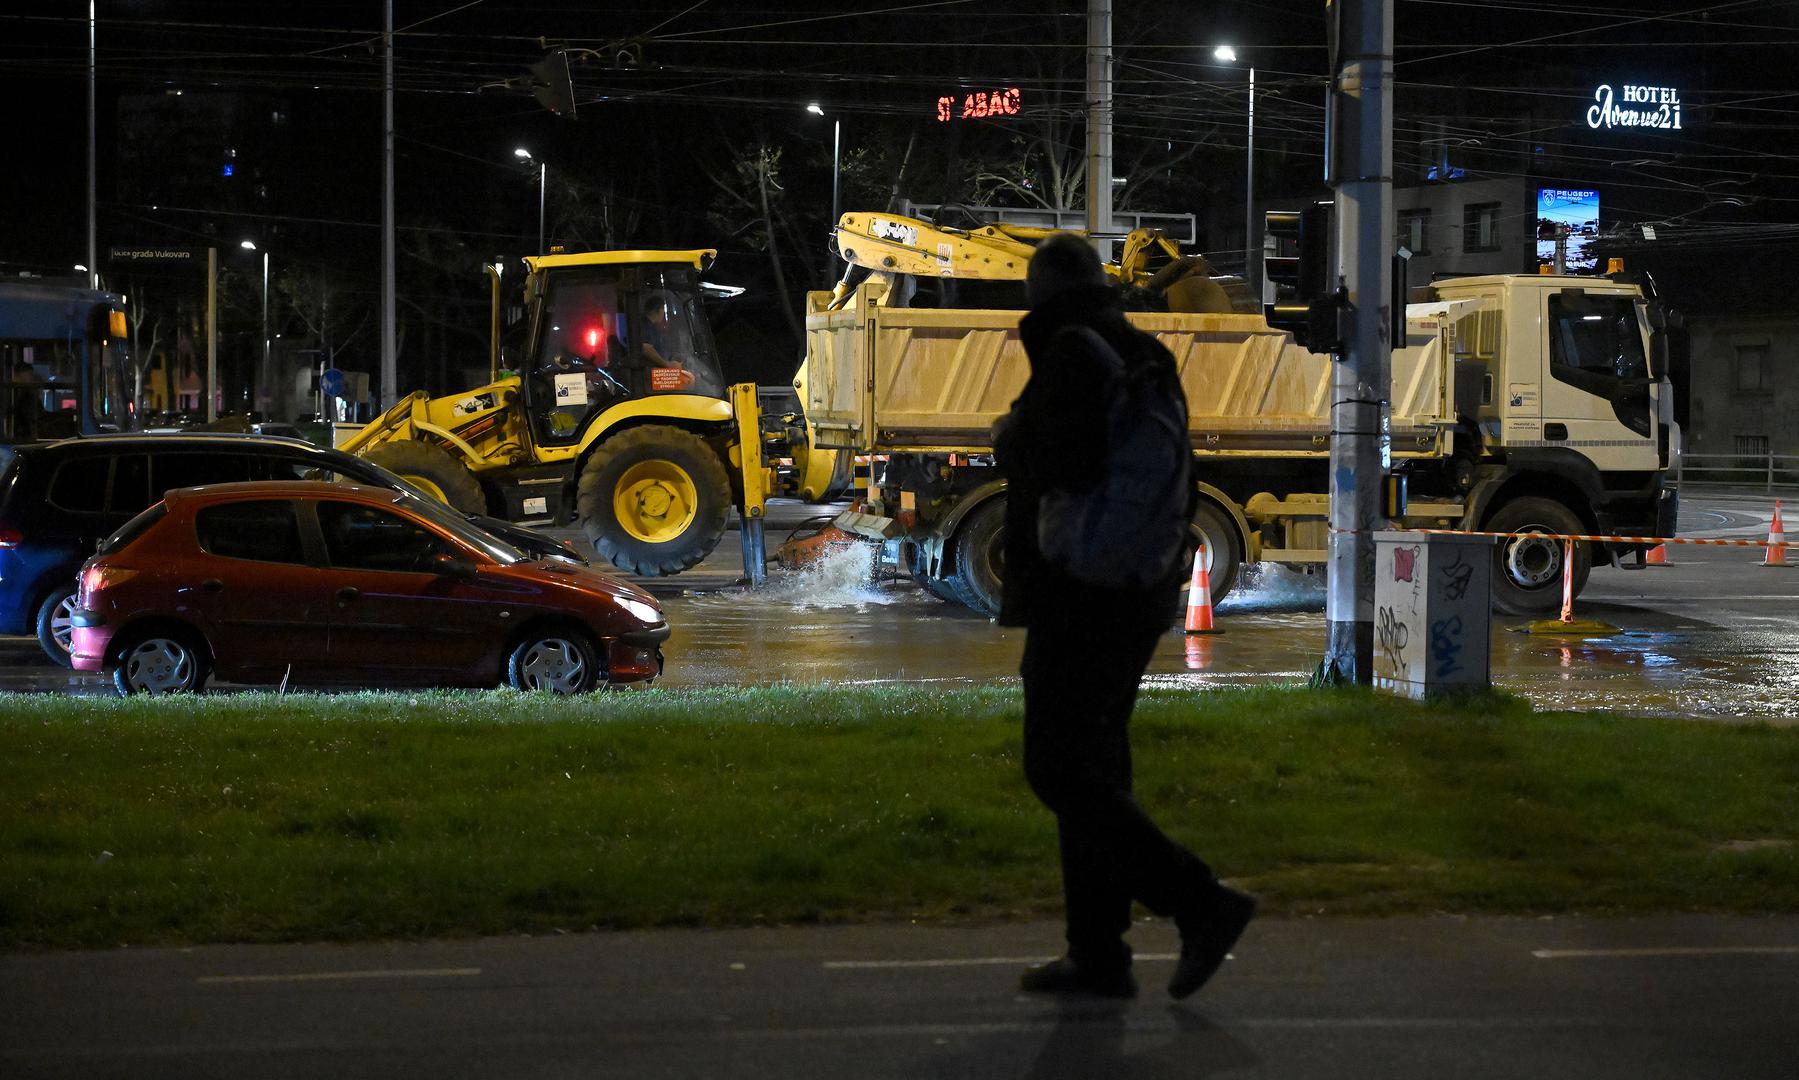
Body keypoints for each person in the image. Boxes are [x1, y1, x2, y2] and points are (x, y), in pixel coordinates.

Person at [993, 232, 1256, 1000]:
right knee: (1095, 771)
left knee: (1057, 767)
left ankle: (1198, 903)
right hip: (1138, 585)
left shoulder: (1069, 352)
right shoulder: (1144, 351)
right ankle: (1097, 955)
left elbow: (1062, 462)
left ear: (1039, 292)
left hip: (1081, 589)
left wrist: (1011, 439)